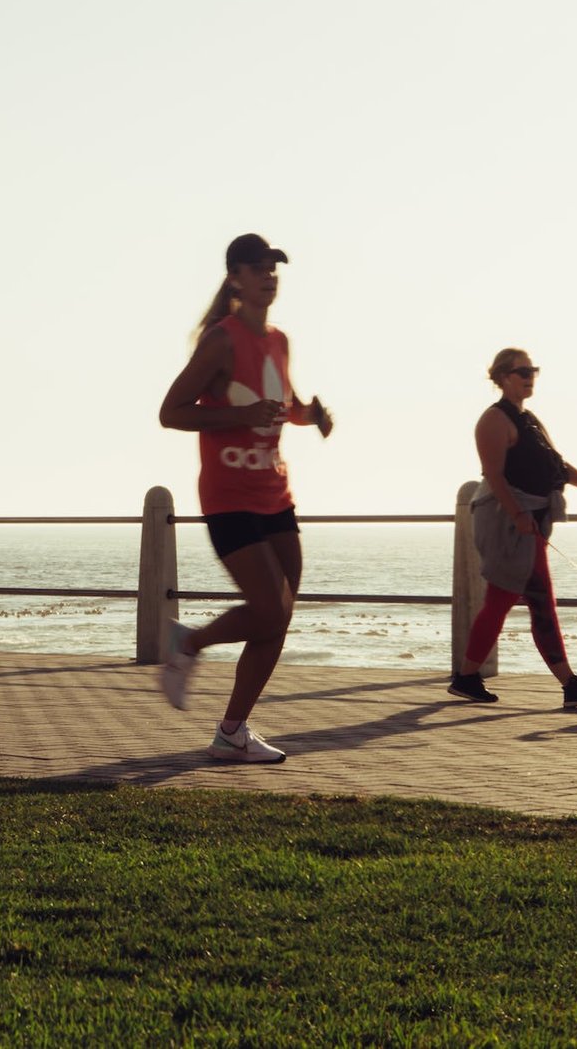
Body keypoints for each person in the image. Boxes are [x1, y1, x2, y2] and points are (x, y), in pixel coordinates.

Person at [157, 233, 332, 763]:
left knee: (278, 617)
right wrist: (239, 415)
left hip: (276, 493)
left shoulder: (279, 340)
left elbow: (283, 404)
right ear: (235, 277)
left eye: (274, 269)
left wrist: (311, 416)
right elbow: (171, 412)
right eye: (258, 269)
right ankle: (188, 644)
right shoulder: (222, 340)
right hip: (229, 496)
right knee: (266, 608)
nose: (268, 277)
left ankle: (232, 731)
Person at [451, 347, 577, 705]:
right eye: (522, 371)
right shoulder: (494, 420)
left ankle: (466, 677)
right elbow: (493, 475)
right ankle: (568, 684)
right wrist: (516, 514)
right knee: (538, 601)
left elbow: (557, 465)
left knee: (501, 602)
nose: (529, 377)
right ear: (502, 377)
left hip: (529, 524)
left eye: (533, 371)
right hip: (508, 526)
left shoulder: (528, 419)